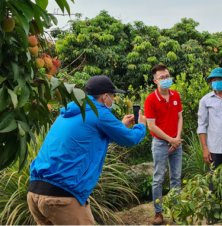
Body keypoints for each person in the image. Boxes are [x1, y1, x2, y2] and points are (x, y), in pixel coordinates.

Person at [27, 75, 147, 226]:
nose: (113, 99)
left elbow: (91, 140)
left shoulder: (71, 111)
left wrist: (121, 126)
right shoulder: (100, 113)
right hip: (62, 197)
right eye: (113, 96)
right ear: (105, 97)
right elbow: (131, 139)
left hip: (36, 193)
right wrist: (141, 125)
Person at [144, 64, 183, 226]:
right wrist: (170, 140)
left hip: (176, 142)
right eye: (162, 78)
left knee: (176, 178)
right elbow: (151, 126)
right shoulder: (151, 100)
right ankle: (158, 212)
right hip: (160, 144)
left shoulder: (175, 95)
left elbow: (180, 118)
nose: (166, 79)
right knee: (158, 178)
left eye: (167, 76)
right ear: (155, 81)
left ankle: (175, 210)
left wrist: (177, 138)